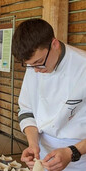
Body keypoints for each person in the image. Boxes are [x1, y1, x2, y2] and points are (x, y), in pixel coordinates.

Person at [12, 18, 86, 171]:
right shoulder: (34, 66)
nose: (37, 70)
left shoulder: (82, 65)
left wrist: (72, 152)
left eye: (39, 62)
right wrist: (33, 144)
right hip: (43, 153)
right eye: (30, 65)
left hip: (80, 156)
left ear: (54, 44)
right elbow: (27, 111)